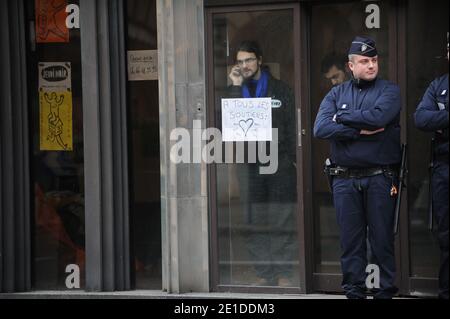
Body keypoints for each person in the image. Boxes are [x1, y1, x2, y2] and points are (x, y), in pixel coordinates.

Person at [313, 36, 402, 299]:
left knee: (382, 240)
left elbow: (380, 117)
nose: (371, 65)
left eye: (374, 60)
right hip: (344, 180)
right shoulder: (336, 93)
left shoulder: (389, 91)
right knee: (350, 243)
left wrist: (342, 117)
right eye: (364, 61)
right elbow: (320, 128)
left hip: (379, 178)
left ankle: (385, 291)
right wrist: (359, 130)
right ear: (351, 66)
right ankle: (353, 291)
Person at [227, 40, 297, 287]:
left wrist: (292, 161)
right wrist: (236, 86)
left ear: (260, 60)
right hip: (249, 165)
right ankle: (263, 273)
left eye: (248, 60)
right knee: (254, 220)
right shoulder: (234, 90)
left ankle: (284, 273)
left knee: (282, 219)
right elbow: (231, 128)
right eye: (240, 61)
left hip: (279, 164)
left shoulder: (280, 89)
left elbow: (291, 128)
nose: (244, 65)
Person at [414, 36, 448, 300]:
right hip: (444, 167)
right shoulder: (439, 85)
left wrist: (442, 119)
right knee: (446, 234)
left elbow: (433, 118)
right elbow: (421, 118)